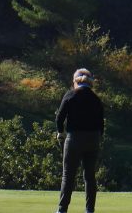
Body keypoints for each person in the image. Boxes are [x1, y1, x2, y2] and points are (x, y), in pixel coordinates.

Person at [55, 68, 104, 213]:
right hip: (93, 139)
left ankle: (62, 210)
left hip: (74, 138)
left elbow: (59, 118)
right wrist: (97, 138)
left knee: (68, 176)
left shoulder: (71, 95)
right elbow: (101, 123)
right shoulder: (96, 99)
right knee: (89, 176)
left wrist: (60, 132)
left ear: (75, 81)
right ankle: (89, 210)